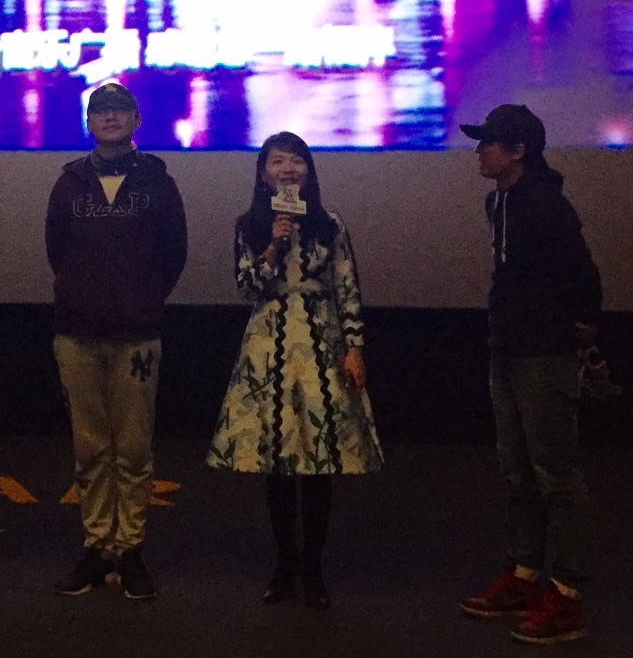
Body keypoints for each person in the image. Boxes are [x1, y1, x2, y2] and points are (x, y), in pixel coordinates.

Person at [207, 131, 383, 610]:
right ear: (263, 174)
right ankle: (285, 563)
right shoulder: (250, 225)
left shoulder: (330, 223)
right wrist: (272, 246)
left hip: (322, 341)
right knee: (279, 461)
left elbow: (346, 285)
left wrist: (355, 346)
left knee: (320, 460)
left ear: (309, 169)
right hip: (270, 343)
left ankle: (314, 566)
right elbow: (248, 288)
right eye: (278, 162)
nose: (288, 169)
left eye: (296, 161)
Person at [457, 104, 602, 645]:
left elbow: (582, 275)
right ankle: (524, 575)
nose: (479, 151)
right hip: (509, 348)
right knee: (518, 470)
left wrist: (579, 330)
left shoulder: (545, 205)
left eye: (489, 142)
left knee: (554, 473)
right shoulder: (498, 201)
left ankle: (566, 595)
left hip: (542, 352)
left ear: (518, 151)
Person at [45, 82, 188, 600]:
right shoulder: (69, 184)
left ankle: (129, 550)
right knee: (89, 448)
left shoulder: (158, 183)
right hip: (77, 334)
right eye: (100, 111)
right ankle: (96, 547)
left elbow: (174, 254)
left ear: (136, 120)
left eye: (119, 110)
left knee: (132, 448)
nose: (109, 117)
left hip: (137, 335)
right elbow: (56, 251)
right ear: (88, 123)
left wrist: (140, 300)